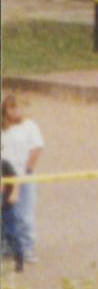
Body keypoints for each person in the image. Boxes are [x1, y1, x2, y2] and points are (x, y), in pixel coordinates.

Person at [2, 94, 45, 274]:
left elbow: (36, 148)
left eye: (18, 107)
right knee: (5, 213)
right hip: (5, 174)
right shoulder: (3, 128)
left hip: (22, 173)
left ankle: (26, 247)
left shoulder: (29, 126)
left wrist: (27, 170)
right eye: (11, 108)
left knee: (24, 212)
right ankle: (7, 246)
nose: (15, 111)